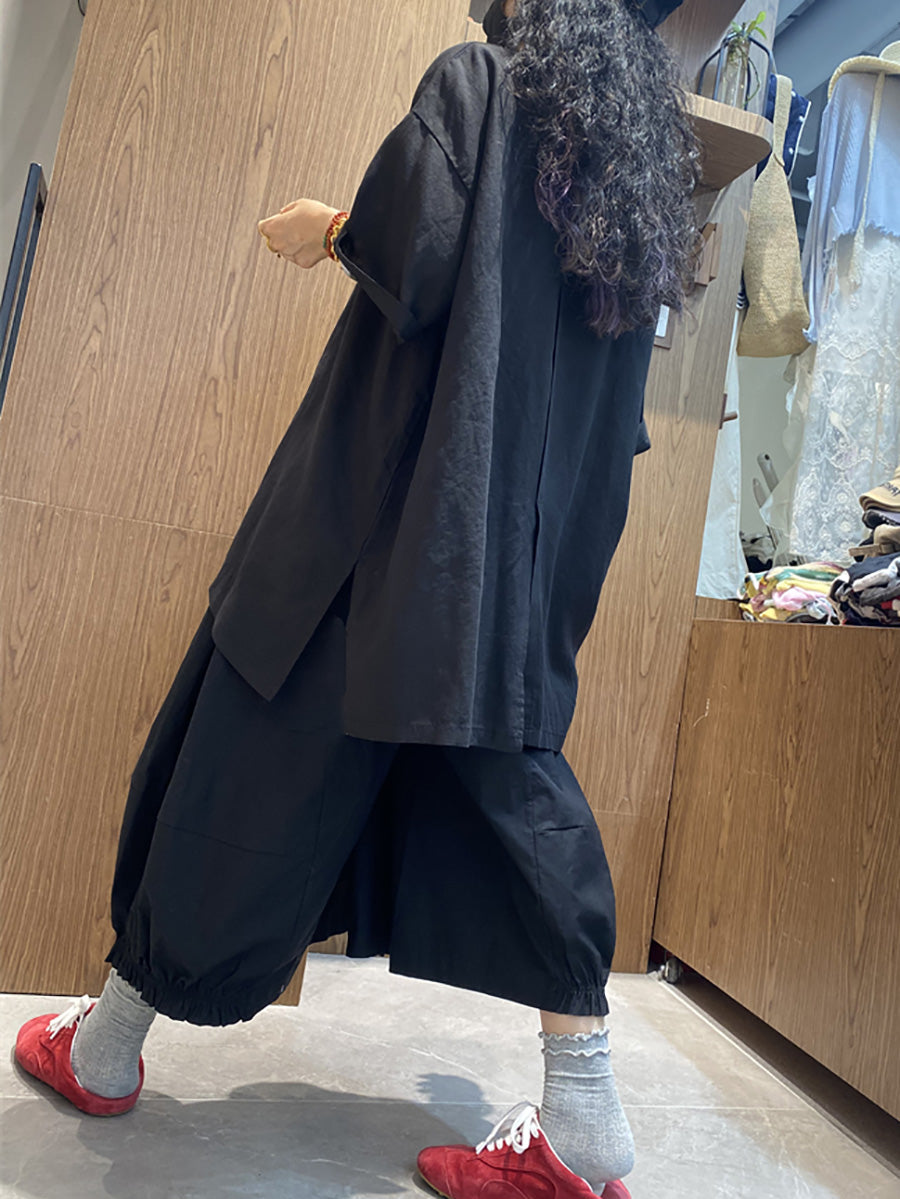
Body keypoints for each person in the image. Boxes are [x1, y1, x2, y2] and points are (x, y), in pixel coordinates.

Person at [14, 1, 699, 1195]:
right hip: (514, 555)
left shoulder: (480, 85)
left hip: (378, 514)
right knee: (511, 781)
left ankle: (108, 1044)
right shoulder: (634, 173)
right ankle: (583, 1111)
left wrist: (325, 227)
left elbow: (410, 253)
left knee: (241, 745)